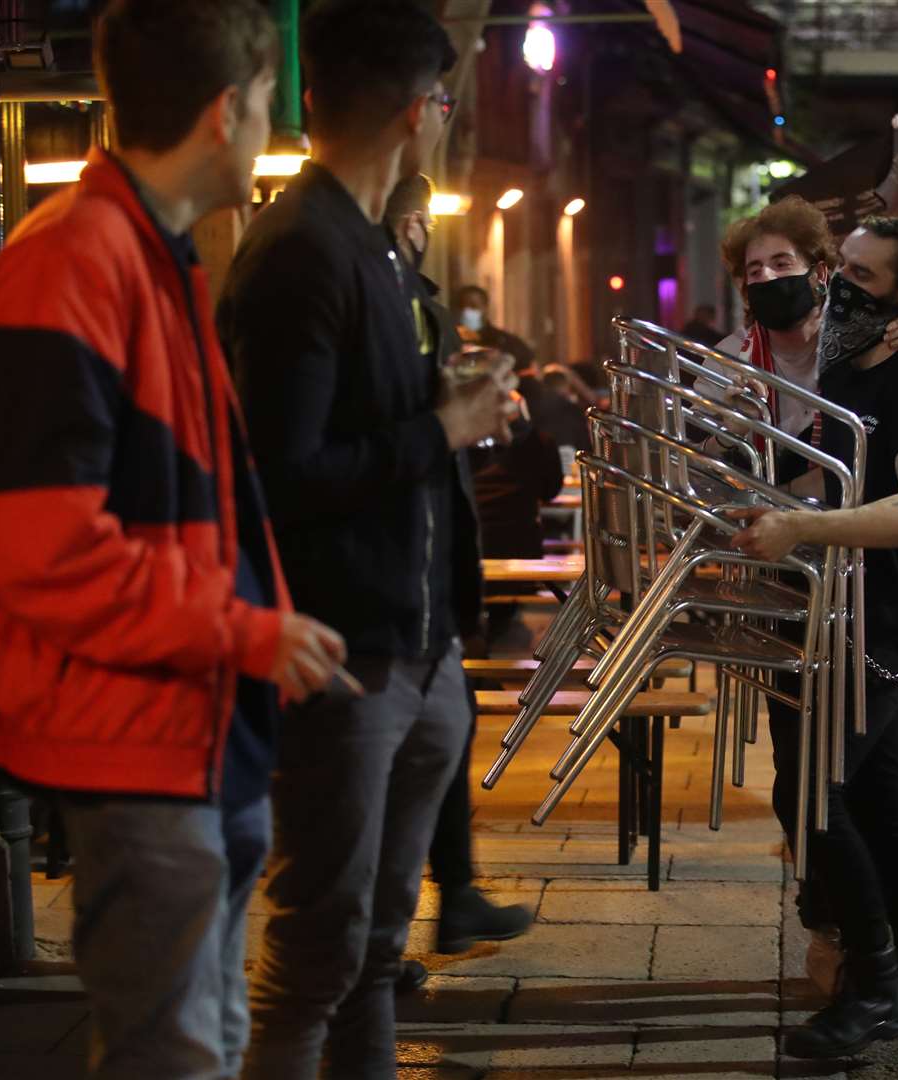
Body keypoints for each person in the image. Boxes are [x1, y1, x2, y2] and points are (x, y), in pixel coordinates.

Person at [0, 2, 349, 1075]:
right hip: (137, 732)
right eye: (270, 107)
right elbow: (40, 545)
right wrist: (239, 631)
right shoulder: (75, 261)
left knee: (197, 1043)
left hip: (181, 726)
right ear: (227, 114)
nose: (276, 131)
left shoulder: (133, 253)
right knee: (173, 1053)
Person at [217, 3, 513, 1075]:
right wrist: (443, 425)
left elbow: (362, 422)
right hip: (344, 651)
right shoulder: (303, 250)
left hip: (415, 646)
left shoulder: (375, 245)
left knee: (375, 950)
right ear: (412, 111)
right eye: (441, 101)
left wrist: (447, 401)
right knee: (317, 952)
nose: (440, 121)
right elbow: (279, 476)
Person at [704, 195, 898, 1006]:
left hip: (884, 617)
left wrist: (796, 522)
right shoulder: (841, 366)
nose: (838, 289)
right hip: (830, 604)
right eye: (842, 271)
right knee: (872, 785)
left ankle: (877, 977)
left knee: (821, 790)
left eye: (857, 276)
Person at [381, 174, 536, 998]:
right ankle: (374, 950)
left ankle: (448, 900)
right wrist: (452, 418)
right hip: (391, 575)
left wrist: (466, 411)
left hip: (433, 566)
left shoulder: (406, 291)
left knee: (442, 729)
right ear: (410, 219)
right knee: (402, 753)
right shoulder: (364, 282)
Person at [453, 282, 535, 367]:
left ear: (485, 308)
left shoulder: (504, 342)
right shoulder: (449, 341)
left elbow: (527, 369)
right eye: (461, 306)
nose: (466, 311)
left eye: (473, 306)